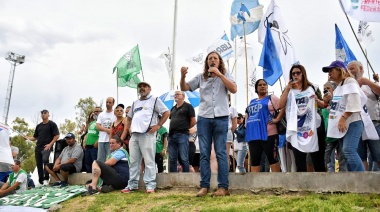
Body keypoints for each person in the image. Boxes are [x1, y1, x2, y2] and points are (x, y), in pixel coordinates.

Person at [180, 51, 237, 197]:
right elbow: (185, 88)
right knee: (204, 154)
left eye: (215, 58)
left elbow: (234, 89)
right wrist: (182, 76)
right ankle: (204, 186)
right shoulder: (201, 77)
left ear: (219, 62)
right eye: (210, 58)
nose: (212, 60)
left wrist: (220, 75)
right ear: (206, 62)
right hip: (204, 117)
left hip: (221, 117)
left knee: (221, 153)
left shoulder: (225, 74)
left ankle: (223, 187)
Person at [322, 60, 375, 171]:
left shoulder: (349, 81)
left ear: (340, 70)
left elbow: (354, 103)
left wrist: (343, 118)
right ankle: (353, 184)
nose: (329, 73)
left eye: (331, 70)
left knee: (349, 150)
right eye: (328, 71)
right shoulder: (338, 87)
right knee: (346, 156)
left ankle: (362, 181)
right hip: (343, 125)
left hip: (353, 122)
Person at [122, 82, 169, 193]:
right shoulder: (135, 102)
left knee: (149, 160)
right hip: (135, 135)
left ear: (150, 89)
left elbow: (166, 112)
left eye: (145, 86)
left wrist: (158, 125)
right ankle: (132, 185)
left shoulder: (155, 100)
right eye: (140, 87)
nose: (142, 88)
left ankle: (150, 185)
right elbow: (128, 117)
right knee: (133, 161)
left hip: (147, 134)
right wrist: (129, 128)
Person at [278, 65, 326, 172]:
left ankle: (322, 186)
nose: (295, 75)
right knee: (299, 161)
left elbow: (323, 105)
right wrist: (287, 89)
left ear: (303, 74)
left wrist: (318, 100)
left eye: (298, 73)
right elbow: (280, 105)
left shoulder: (313, 87)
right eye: (293, 73)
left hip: (314, 127)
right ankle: (302, 187)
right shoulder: (288, 91)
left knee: (317, 160)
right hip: (296, 129)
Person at [347, 60, 380, 171]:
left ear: (361, 69)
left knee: (378, 154)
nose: (350, 71)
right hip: (356, 124)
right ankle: (364, 184)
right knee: (361, 157)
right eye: (348, 69)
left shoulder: (369, 84)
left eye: (352, 68)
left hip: (374, 124)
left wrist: (368, 82)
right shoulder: (349, 85)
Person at [245, 79, 281, 172]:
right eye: (260, 85)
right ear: (256, 88)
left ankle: (278, 184)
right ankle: (255, 185)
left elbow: (283, 106)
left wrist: (277, 119)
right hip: (254, 135)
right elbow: (248, 114)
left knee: (272, 159)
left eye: (264, 84)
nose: (262, 86)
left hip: (269, 134)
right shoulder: (252, 101)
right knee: (255, 160)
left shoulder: (271, 98)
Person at [23, 109, 60, 186]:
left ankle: (46, 179)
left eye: (45, 113)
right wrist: (27, 138)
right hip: (38, 147)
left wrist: (50, 144)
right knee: (39, 164)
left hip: (47, 147)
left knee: (45, 161)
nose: (43, 114)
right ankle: (41, 181)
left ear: (48, 115)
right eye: (42, 113)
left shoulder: (52, 124)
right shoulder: (38, 126)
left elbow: (57, 136)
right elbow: (35, 137)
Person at [321, 81, 347, 172]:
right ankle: (329, 176)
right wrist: (325, 102)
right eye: (324, 89)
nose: (326, 91)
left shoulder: (338, 99)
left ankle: (343, 177)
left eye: (328, 88)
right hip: (329, 136)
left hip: (339, 133)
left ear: (334, 90)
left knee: (342, 157)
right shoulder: (323, 104)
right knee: (328, 157)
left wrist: (331, 100)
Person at [168, 91, 196, 173]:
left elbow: (193, 121)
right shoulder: (173, 108)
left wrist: (186, 128)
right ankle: (173, 178)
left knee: (184, 157)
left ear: (183, 96)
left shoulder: (188, 106)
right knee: (172, 158)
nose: (175, 96)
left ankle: (185, 178)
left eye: (177, 94)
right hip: (172, 135)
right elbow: (172, 120)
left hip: (182, 135)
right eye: (175, 94)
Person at [96, 97, 116, 162]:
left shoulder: (115, 114)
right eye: (107, 102)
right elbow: (98, 126)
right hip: (101, 140)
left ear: (113, 104)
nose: (108, 104)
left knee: (110, 158)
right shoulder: (101, 114)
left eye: (110, 102)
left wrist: (111, 131)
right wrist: (107, 130)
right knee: (100, 159)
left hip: (110, 140)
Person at [83, 108, 101, 173]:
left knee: (95, 163)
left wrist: (97, 142)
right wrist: (84, 142)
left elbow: (103, 134)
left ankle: (95, 180)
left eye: (97, 111)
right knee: (87, 163)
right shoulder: (92, 122)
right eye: (94, 111)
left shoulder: (101, 122)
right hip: (88, 146)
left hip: (95, 147)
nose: (95, 113)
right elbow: (88, 132)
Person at [227, 95, 238, 172]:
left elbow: (234, 124)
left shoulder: (232, 109)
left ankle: (225, 174)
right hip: (216, 133)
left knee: (225, 155)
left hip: (227, 132)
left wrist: (231, 133)